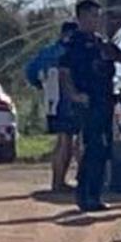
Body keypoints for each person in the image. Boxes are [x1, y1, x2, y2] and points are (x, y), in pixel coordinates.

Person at [59, 0, 121, 213]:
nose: (96, 20)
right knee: (93, 147)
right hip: (88, 102)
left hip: (105, 100)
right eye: (92, 16)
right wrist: (74, 95)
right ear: (81, 17)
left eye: (98, 16)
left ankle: (95, 194)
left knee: (104, 148)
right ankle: (85, 196)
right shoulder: (73, 43)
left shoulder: (102, 42)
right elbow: (64, 73)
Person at [27, 22, 81, 193]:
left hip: (52, 103)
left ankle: (57, 181)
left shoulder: (48, 51)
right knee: (71, 141)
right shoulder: (74, 51)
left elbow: (30, 71)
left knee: (62, 140)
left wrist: (41, 85)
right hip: (70, 101)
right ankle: (63, 182)